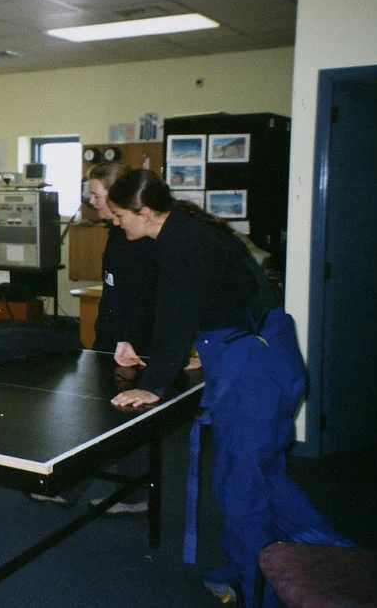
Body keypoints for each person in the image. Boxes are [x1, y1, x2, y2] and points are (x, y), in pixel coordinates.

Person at [106, 169, 352, 607]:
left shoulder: (181, 244)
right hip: (265, 354)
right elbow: (237, 298)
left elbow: (175, 317)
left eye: (120, 215)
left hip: (256, 372)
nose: (116, 222)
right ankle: (329, 560)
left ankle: (258, 588)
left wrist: (154, 386)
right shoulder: (191, 231)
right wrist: (209, 351)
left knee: (242, 487)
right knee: (260, 478)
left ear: (144, 212)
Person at [83, 161, 159, 515]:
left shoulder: (141, 238)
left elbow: (144, 296)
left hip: (132, 344)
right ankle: (74, 487)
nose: (91, 201)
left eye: (96, 194)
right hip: (110, 336)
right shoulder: (116, 231)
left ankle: (134, 497)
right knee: (102, 414)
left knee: (128, 417)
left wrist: (125, 339)